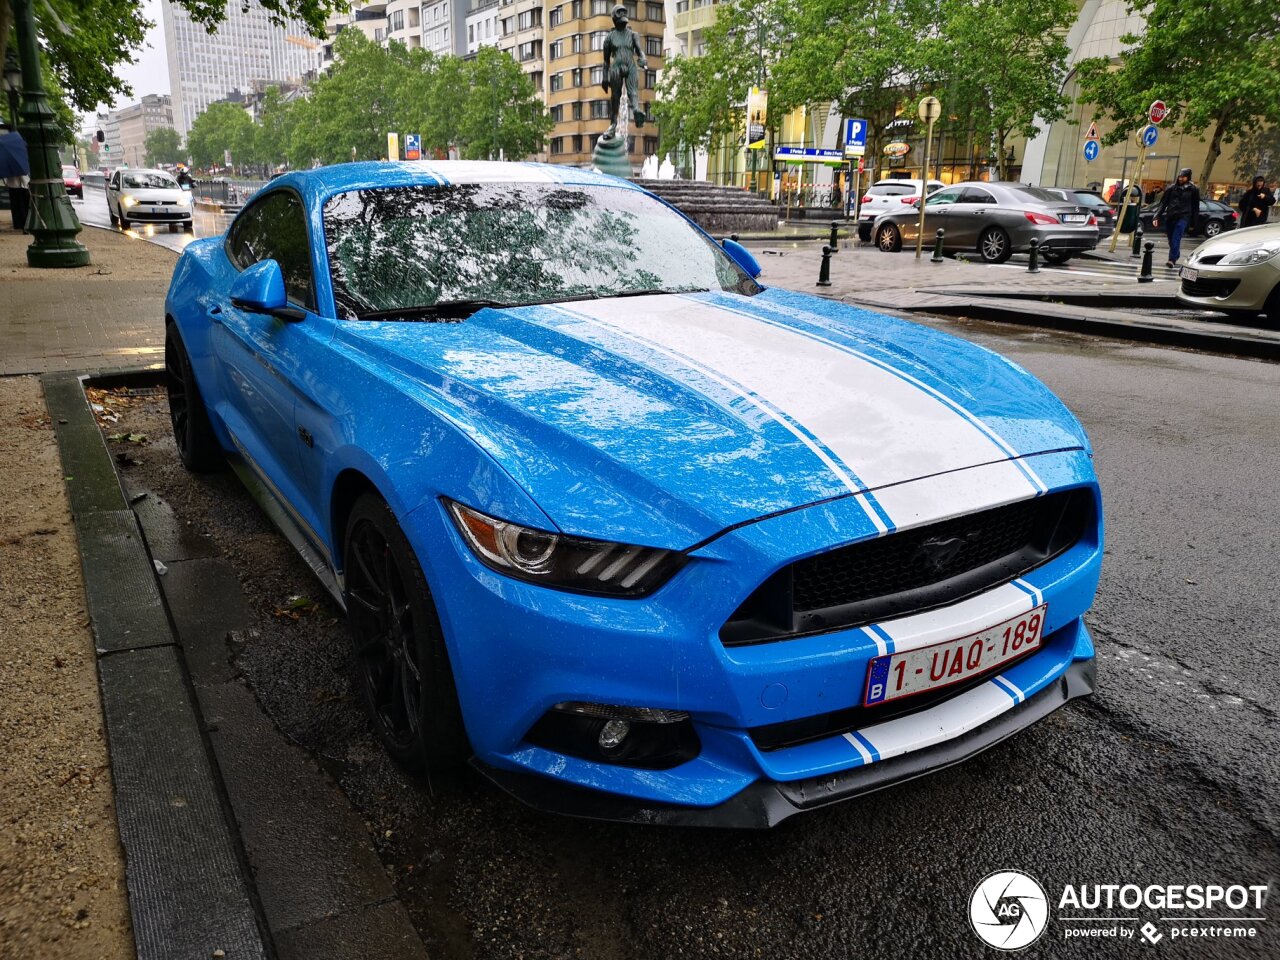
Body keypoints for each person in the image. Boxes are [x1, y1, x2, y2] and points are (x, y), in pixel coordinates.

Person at [600, 4, 646, 139]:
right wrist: (604, 77)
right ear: (614, 16)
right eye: (620, 12)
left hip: (631, 65)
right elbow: (606, 61)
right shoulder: (609, 38)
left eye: (625, 12)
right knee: (615, 97)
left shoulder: (633, 35)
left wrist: (643, 59)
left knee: (633, 92)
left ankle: (636, 110)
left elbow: (640, 51)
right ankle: (613, 125)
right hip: (616, 68)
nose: (624, 15)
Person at [1152, 167, 1200, 267]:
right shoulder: (1171, 188)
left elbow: (1196, 207)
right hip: (1171, 216)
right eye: (1180, 176)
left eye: (1183, 177)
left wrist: (1194, 223)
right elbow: (1163, 204)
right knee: (1171, 240)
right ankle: (1176, 254)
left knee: (1176, 238)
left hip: (1183, 217)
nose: (1181, 179)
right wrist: (1156, 216)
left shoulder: (1193, 189)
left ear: (1188, 177)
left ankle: (1172, 260)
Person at [0, 121, 31, 232]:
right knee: (24, 205)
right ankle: (24, 224)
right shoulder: (17, 146)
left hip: (14, 185)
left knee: (17, 206)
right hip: (22, 184)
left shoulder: (6, 153)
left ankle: (19, 224)